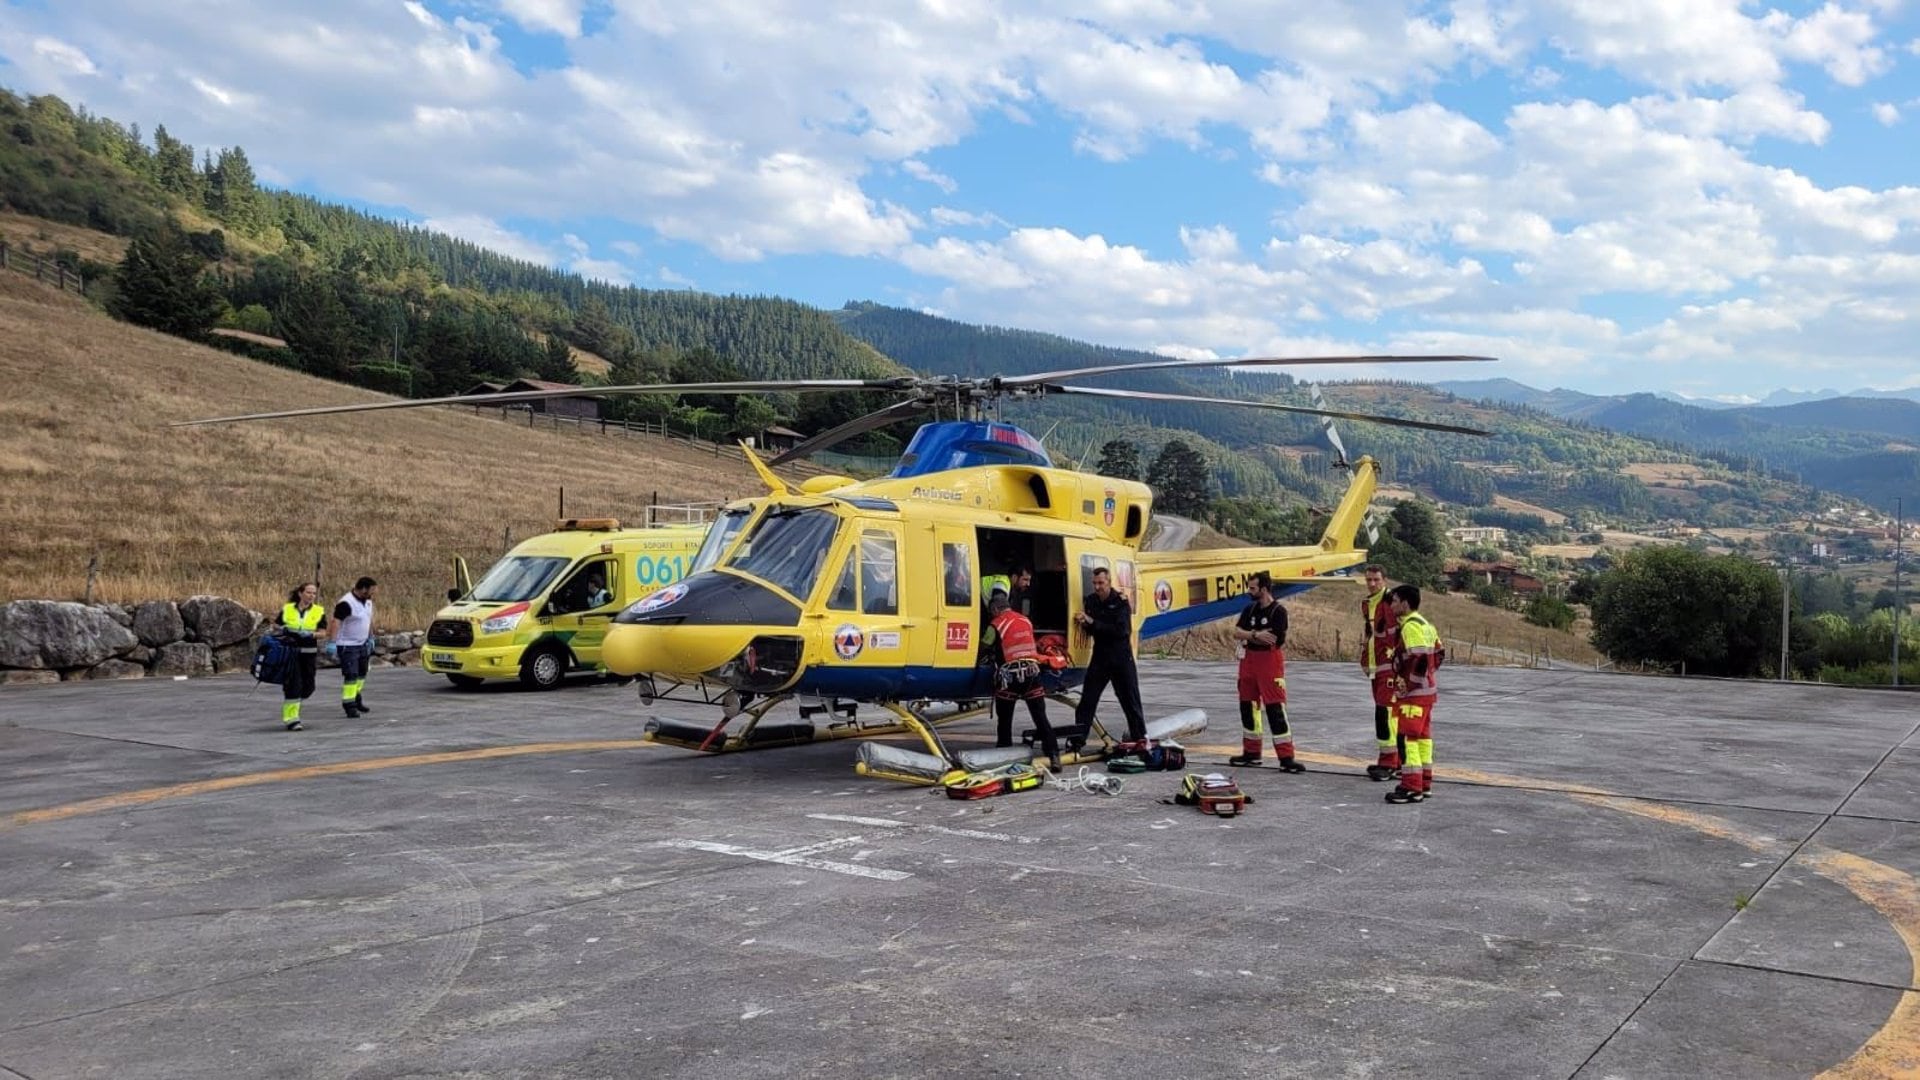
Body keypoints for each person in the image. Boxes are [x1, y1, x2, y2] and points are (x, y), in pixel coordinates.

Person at [1227, 571, 1301, 771]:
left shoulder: (1278, 612)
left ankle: (1286, 757)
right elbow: (1235, 632)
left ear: (1264, 589)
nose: (1249, 591)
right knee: (1248, 707)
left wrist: (1249, 635)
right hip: (1248, 661)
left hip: (1269, 661)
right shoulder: (1249, 610)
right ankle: (1251, 752)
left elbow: (1274, 638)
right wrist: (1255, 634)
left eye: (1252, 588)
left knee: (1275, 708)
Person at [985, 591, 1062, 772]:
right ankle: (1054, 756)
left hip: (1009, 677)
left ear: (995, 609)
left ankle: (1004, 757)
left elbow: (985, 645)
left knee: (1004, 720)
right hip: (1031, 674)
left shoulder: (996, 624)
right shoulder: (1025, 620)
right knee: (1041, 718)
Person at [1074, 566, 1146, 741]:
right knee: (1087, 702)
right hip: (1101, 657)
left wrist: (1093, 622)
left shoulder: (1120, 602)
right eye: (1095, 583)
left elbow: (1122, 631)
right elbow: (1092, 631)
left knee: (1130, 701)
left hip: (1121, 658)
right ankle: (1077, 740)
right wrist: (1084, 624)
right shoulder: (1091, 601)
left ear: (1109, 582)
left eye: (1101, 583)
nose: (1098, 587)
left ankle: (1141, 740)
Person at [1384, 584, 1441, 805]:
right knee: (1423, 739)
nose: (1392, 605)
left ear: (1406, 603)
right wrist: (1427, 679)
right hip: (1428, 693)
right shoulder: (1427, 625)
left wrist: (1410, 685)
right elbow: (1438, 654)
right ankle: (1424, 783)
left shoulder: (1409, 627)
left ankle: (1411, 786)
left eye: (1395, 601)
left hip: (1414, 696)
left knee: (1407, 739)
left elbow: (1420, 659)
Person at [1360, 563, 1403, 781]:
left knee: (1386, 713)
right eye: (1368, 579)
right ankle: (1389, 760)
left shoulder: (1391, 602)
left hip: (1390, 667)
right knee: (1382, 713)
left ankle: (1390, 763)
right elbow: (1369, 634)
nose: (1372, 583)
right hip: (1376, 668)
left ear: (1384, 580)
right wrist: (1364, 659)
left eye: (1376, 579)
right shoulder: (1367, 604)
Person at [274, 581, 328, 731]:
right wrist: (283, 629)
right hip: (290, 653)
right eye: (308, 592)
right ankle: (291, 719)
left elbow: (323, 633)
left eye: (314, 593)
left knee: (309, 687)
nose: (311, 596)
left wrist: (311, 634)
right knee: (293, 685)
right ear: (300, 593)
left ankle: (294, 703)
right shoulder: (288, 609)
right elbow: (276, 626)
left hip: (309, 654)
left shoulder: (319, 611)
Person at [331, 576, 378, 718]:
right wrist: (333, 642)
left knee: (362, 674)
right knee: (351, 675)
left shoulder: (368, 602)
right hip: (348, 645)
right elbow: (335, 622)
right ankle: (349, 705)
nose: (373, 594)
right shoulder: (346, 603)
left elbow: (368, 620)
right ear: (363, 589)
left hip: (362, 644)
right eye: (371, 591)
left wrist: (371, 637)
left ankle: (356, 698)